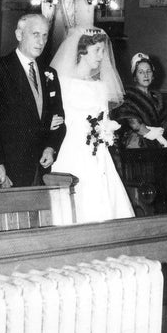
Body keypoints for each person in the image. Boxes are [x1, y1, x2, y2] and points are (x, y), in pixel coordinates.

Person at [50, 26, 134, 223]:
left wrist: (106, 130)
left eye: (104, 50)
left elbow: (104, 118)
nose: (102, 56)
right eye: (97, 50)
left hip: (97, 152)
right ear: (82, 50)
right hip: (71, 148)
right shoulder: (62, 82)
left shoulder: (101, 86)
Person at [0, 13, 65, 188]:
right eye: (35, 34)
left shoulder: (49, 74)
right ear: (19, 35)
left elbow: (59, 120)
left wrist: (51, 147)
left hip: (39, 170)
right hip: (6, 170)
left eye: (45, 35)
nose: (41, 41)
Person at [113, 52, 167, 148]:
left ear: (153, 75)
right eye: (141, 72)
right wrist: (150, 132)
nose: (146, 75)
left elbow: (165, 123)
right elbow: (134, 123)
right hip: (136, 145)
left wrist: (159, 134)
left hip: (157, 144)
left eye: (148, 71)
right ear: (135, 76)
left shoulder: (157, 98)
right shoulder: (127, 97)